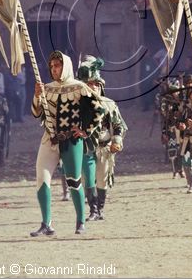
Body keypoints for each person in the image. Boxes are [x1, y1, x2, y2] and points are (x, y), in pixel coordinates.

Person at [30, 50, 105, 236]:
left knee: (73, 181)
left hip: (72, 141)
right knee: (42, 178)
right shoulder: (47, 88)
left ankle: (80, 221)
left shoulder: (79, 87)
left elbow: (99, 110)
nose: (54, 69)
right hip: (49, 139)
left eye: (58, 65)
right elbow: (36, 113)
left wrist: (85, 131)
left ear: (66, 66)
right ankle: (46, 223)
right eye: (52, 66)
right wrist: (37, 95)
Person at [78, 56, 127, 221]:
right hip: (86, 147)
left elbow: (118, 125)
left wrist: (117, 141)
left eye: (96, 84)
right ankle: (92, 210)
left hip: (104, 148)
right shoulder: (77, 105)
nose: (94, 87)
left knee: (102, 179)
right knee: (88, 178)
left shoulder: (109, 104)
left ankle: (100, 209)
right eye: (90, 84)